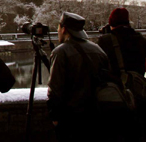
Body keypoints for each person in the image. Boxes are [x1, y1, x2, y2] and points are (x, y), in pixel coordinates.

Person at [47, 12, 109, 142]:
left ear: (64, 29)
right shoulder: (98, 49)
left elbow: (55, 89)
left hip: (71, 118)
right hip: (97, 115)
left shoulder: (60, 52)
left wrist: (55, 117)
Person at [97, 7, 146, 142]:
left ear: (111, 23)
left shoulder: (105, 41)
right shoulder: (142, 40)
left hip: (114, 97)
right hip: (138, 93)